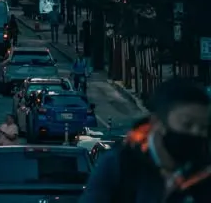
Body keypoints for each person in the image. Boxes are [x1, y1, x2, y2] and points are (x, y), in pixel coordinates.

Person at [83, 78, 211, 203]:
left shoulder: (203, 174)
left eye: (203, 127)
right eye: (187, 124)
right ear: (158, 122)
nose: (195, 133)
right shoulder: (120, 165)